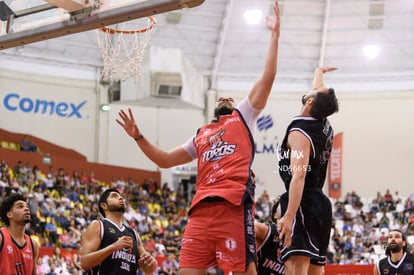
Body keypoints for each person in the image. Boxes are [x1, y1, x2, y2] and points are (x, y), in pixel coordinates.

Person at [116, 1, 280, 274]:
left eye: (230, 97)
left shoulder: (242, 116)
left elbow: (268, 76)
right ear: (214, 108)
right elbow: (166, 160)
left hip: (232, 209)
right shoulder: (201, 135)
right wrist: (139, 136)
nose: (227, 98)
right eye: (222, 98)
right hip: (200, 214)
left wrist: (274, 36)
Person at [277, 67, 339, 274]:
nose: (315, 87)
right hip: (320, 202)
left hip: (303, 203)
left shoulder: (300, 133)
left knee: (296, 267)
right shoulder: (323, 122)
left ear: (310, 101)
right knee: (315, 271)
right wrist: (318, 71)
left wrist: (289, 215)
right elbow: (317, 88)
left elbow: (299, 174)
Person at [80, 188, 158, 274]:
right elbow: (84, 263)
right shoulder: (98, 225)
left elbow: (148, 270)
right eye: (114, 196)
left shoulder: (133, 233)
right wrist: (114, 247)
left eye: (121, 196)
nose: (121, 198)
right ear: (104, 206)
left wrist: (152, 264)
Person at [0, 193, 39, 275]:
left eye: (27, 207)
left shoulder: (33, 245)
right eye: (20, 206)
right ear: (9, 214)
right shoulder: (1, 237)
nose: (26, 209)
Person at [255, 198, 284, 275]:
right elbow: (246, 227)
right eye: (283, 203)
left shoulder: (298, 240)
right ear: (275, 215)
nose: (286, 205)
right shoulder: (268, 230)